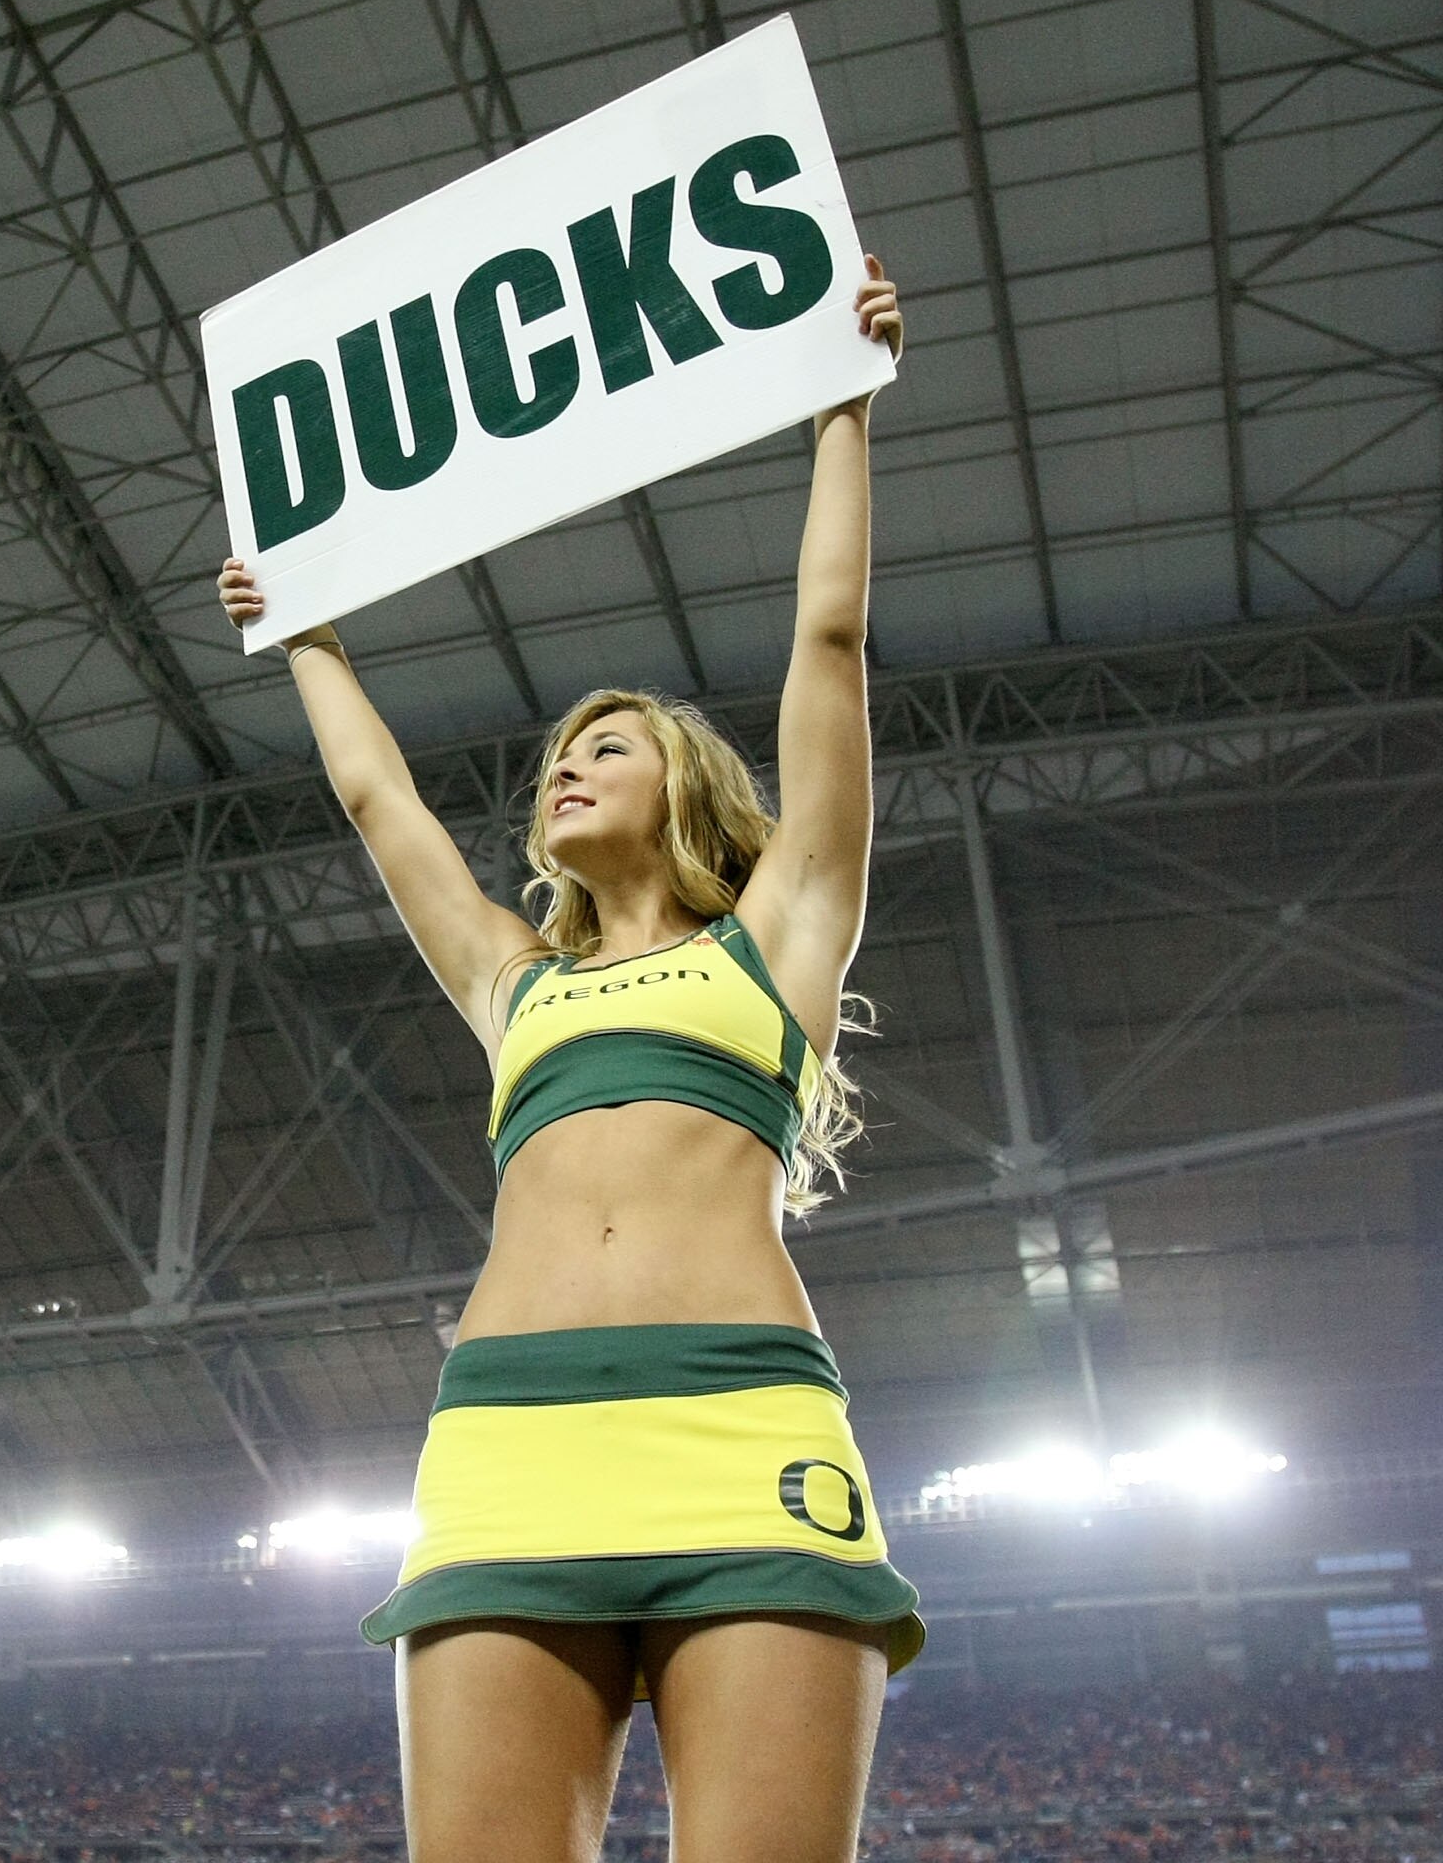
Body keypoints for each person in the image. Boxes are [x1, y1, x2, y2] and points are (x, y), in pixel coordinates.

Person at [218, 257, 913, 1863]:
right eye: (552, 763)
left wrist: (841, 409)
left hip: (745, 1432)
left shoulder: (783, 937)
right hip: (507, 1444)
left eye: (608, 749)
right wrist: (307, 634)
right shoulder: (510, 983)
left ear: (684, 790)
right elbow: (378, 810)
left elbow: (828, 637)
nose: (566, 772)